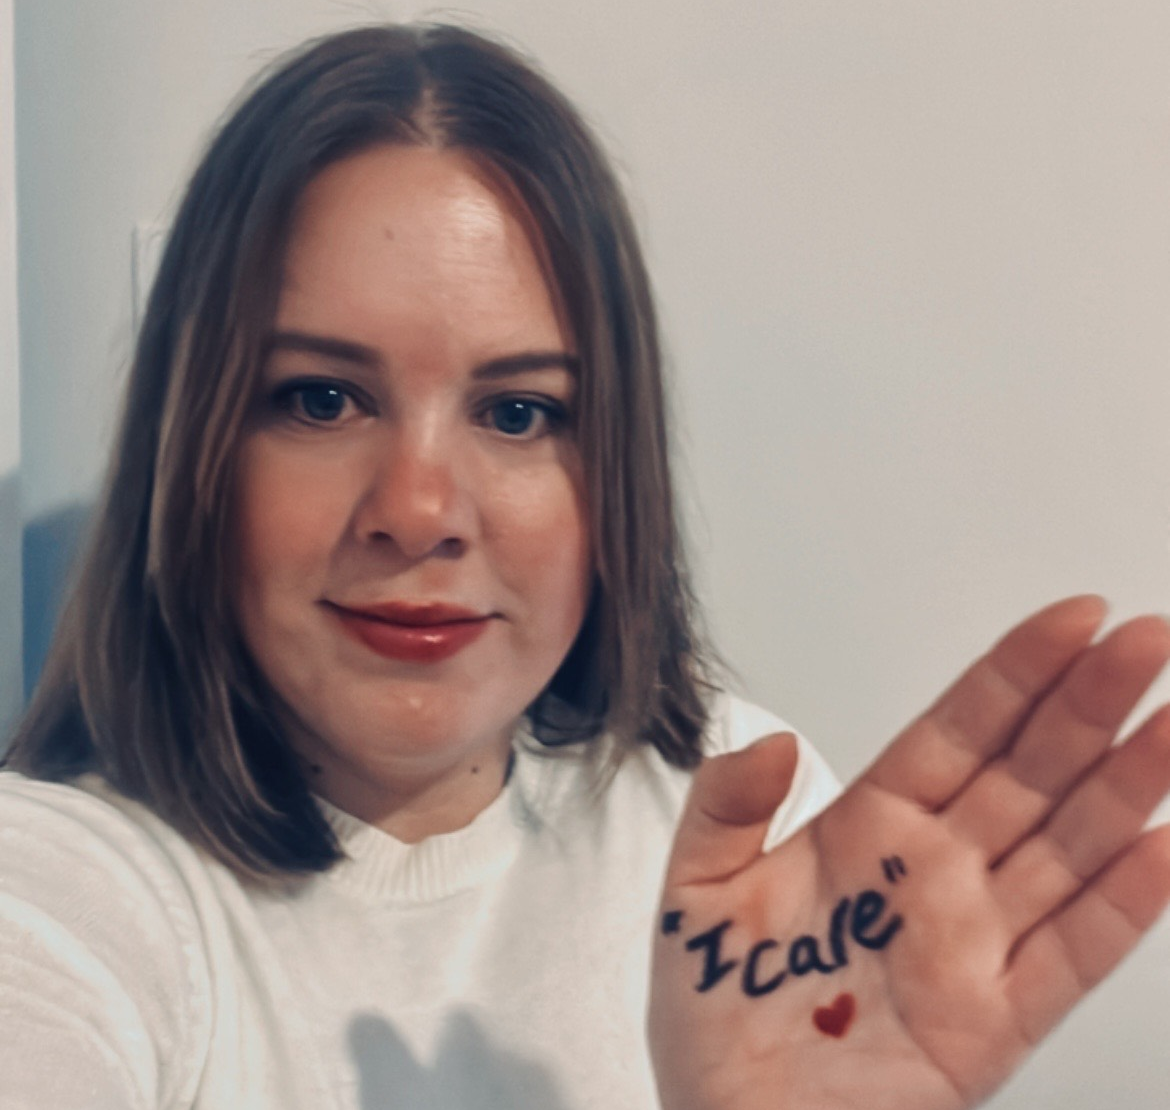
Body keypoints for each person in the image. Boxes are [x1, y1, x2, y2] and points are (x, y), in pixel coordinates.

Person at [2, 22, 1168, 1110]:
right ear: (191, 452)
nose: (419, 512)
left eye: (518, 412)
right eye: (320, 399)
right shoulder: (58, 896)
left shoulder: (741, 814)